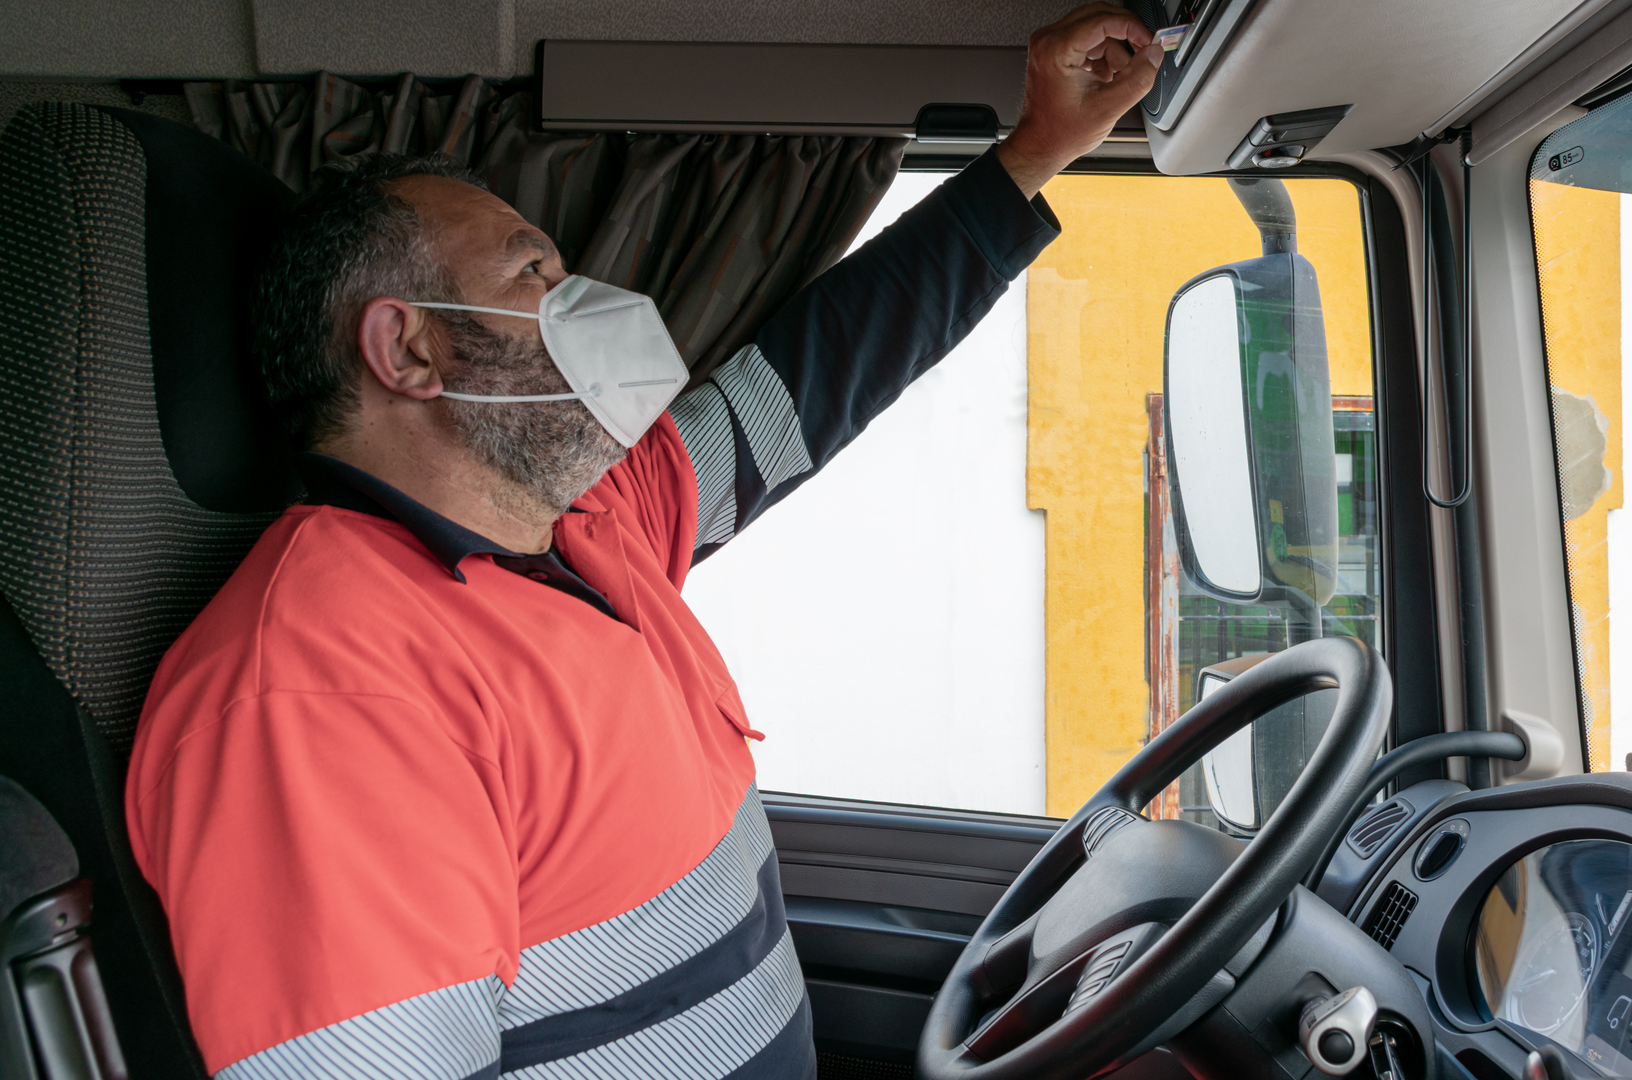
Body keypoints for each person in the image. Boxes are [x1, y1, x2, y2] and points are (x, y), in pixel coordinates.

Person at [124, 5, 1162, 1078]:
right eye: (534, 274)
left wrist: (1038, 151)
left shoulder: (586, 525)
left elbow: (819, 369)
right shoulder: (321, 690)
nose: (585, 301)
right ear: (409, 349)